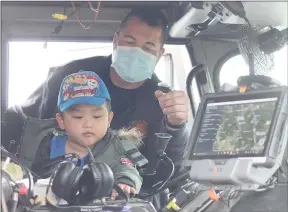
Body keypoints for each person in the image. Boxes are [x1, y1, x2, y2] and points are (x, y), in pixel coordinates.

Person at [2, 8, 190, 189]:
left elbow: (168, 172)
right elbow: (24, 122)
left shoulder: (163, 102)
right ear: (115, 41)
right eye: (130, 42)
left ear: (160, 54)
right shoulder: (71, 77)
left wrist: (177, 125)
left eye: (148, 48)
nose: (136, 52)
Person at [26, 71, 146, 200]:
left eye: (97, 116)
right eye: (78, 117)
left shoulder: (116, 147)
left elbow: (127, 169)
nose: (88, 124)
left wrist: (125, 183)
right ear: (61, 120)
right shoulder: (46, 144)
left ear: (109, 119)